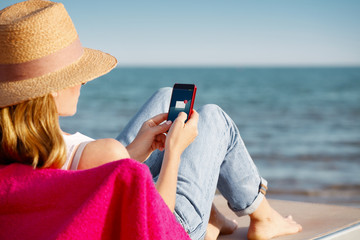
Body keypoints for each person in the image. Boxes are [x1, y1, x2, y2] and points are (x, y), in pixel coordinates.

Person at [0, 1, 302, 239]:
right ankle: (262, 217)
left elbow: (88, 179)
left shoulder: (15, 156)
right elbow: (155, 227)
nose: (83, 83)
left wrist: (132, 153)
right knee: (212, 118)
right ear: (50, 91)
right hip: (172, 226)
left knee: (165, 96)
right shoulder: (101, 154)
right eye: (76, 75)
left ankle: (216, 218)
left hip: (96, 197)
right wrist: (174, 153)